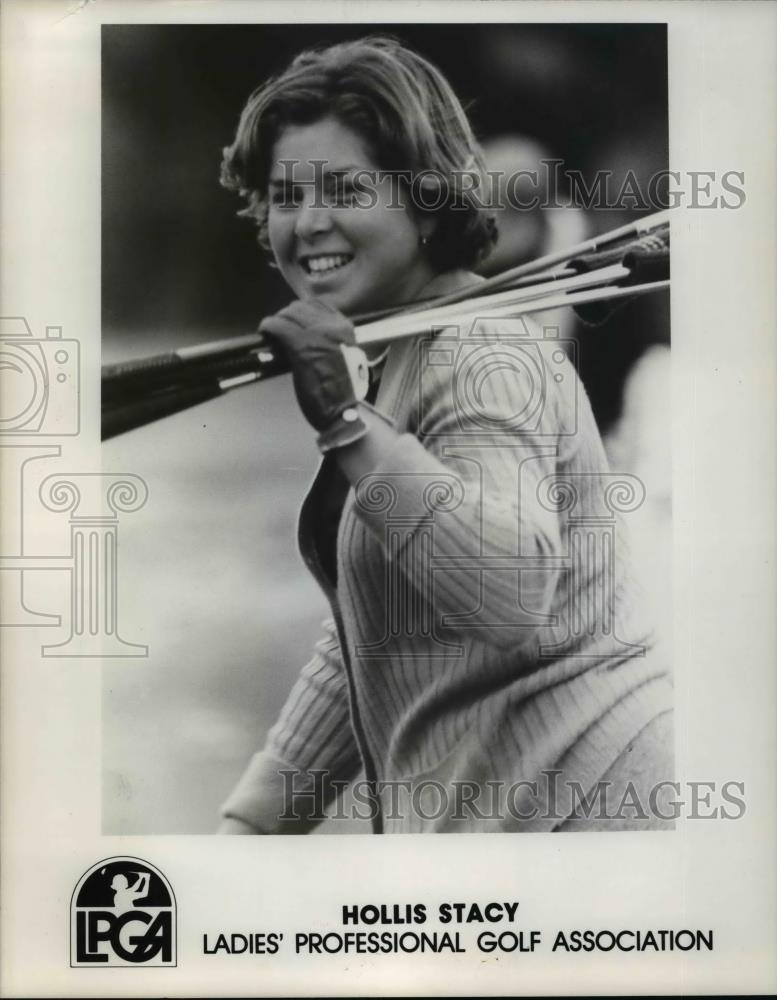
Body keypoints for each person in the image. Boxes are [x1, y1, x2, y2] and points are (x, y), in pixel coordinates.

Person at [216, 36, 673, 834]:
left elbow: (507, 591)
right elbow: (383, 617)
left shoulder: (481, 351)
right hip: (510, 827)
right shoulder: (403, 351)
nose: (309, 222)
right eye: (286, 195)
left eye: (346, 189)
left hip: (585, 825)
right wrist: (259, 815)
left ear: (426, 199)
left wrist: (347, 426)